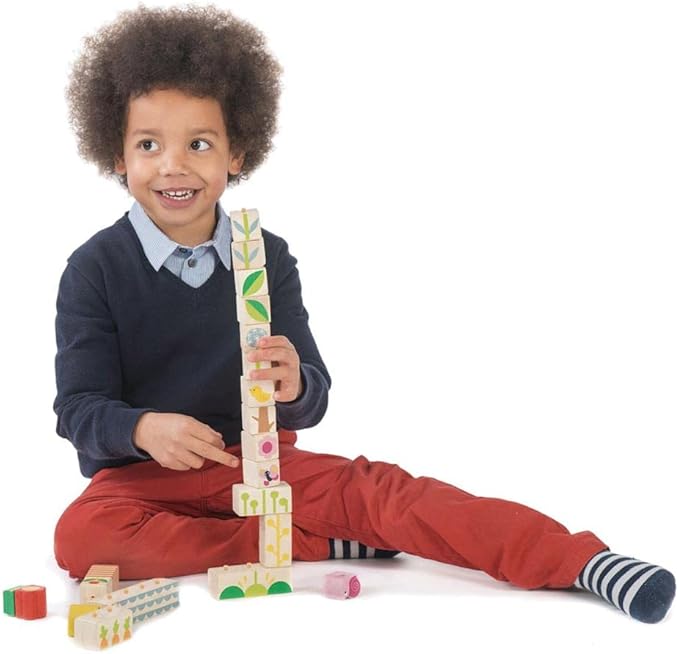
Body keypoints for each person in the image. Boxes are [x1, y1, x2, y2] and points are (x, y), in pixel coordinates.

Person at [52, 4, 674, 624]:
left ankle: (580, 561)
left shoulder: (264, 256)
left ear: (236, 153)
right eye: (148, 144)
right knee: (80, 540)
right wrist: (141, 429)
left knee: (388, 495)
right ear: (118, 155)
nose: (173, 165)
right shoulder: (93, 269)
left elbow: (314, 396)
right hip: (144, 484)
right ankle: (306, 541)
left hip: (266, 467)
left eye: (199, 143)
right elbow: (78, 408)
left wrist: (294, 385)